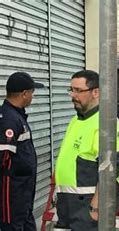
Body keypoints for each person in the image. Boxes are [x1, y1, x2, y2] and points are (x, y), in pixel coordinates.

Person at [54, 70, 119, 230]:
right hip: (67, 205)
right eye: (71, 90)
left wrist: (95, 209)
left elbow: (110, 173)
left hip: (87, 207)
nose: (73, 95)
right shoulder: (76, 120)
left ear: (96, 92)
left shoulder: (107, 125)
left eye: (78, 91)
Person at [0, 72, 44, 231]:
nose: (32, 96)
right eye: (32, 92)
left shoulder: (17, 116)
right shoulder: (8, 120)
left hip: (23, 193)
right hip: (12, 195)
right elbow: (3, 159)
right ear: (24, 94)